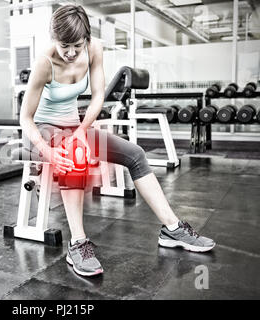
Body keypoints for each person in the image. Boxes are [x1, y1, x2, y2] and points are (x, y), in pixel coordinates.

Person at [19, 4, 215, 277]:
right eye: (65, 46)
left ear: (86, 38)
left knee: (135, 154)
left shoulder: (94, 49)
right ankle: (78, 244)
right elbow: (25, 118)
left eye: (77, 44)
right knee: (74, 154)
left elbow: (98, 96)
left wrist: (81, 130)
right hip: (41, 131)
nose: (72, 52)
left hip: (74, 126)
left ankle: (172, 229)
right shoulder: (45, 62)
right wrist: (47, 151)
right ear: (54, 39)